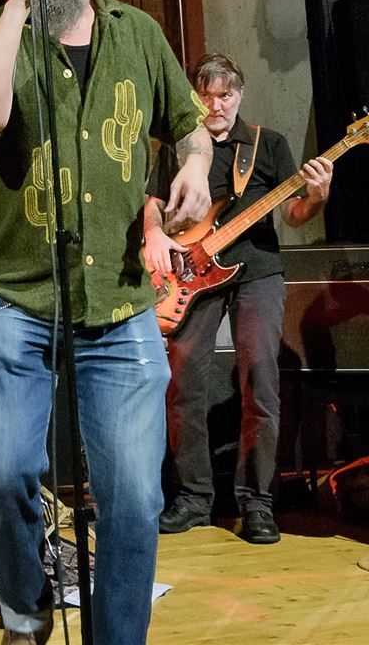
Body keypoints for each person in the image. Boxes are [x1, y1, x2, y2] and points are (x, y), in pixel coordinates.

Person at [0, 0, 212, 645]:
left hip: (121, 300)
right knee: (0, 477)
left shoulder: (139, 34)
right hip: (16, 296)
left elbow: (190, 125)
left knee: (133, 498)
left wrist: (195, 167)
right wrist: (16, 6)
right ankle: (25, 613)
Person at [145, 52, 332, 544]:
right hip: (191, 274)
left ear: (239, 95)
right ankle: (193, 498)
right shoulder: (181, 148)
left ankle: (258, 502)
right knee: (183, 386)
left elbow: (293, 214)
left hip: (258, 272)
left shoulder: (269, 144)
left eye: (225, 95)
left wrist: (317, 196)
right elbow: (154, 203)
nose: (215, 104)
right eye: (206, 95)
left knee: (261, 382)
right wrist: (155, 234)